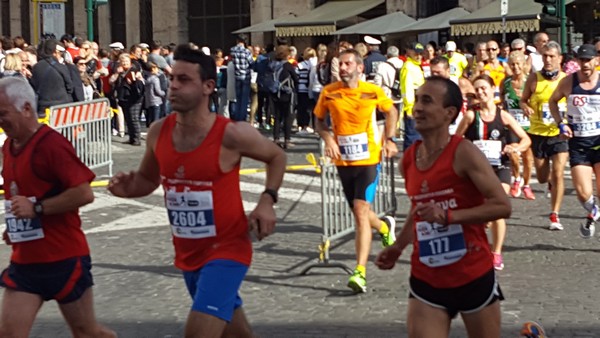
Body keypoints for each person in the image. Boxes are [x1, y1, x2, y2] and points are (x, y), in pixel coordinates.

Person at [107, 44, 286, 337]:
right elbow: (148, 180)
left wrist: (267, 200)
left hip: (227, 251)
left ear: (208, 86)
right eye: (172, 78)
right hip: (189, 255)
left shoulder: (231, 133)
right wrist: (128, 188)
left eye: (184, 80)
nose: (173, 86)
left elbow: (276, 156)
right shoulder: (157, 132)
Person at [376, 76, 511, 338]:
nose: (417, 108)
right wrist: (398, 246)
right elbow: (419, 209)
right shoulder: (410, 158)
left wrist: (449, 216)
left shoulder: (464, 153)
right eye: (416, 100)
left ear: (449, 113)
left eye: (427, 101)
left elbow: (502, 206)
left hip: (472, 274)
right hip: (427, 277)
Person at [0, 77, 116, 337]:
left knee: (87, 332)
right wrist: (16, 227)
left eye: (3, 113)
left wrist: (38, 209)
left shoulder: (51, 145)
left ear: (26, 108)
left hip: (63, 258)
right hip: (26, 261)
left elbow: (84, 193)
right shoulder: (9, 147)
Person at [314, 49, 399, 293]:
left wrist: (390, 139)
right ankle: (384, 227)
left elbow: (391, 111)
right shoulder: (329, 92)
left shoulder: (372, 91)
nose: (342, 67)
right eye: (340, 64)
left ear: (359, 68)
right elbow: (319, 120)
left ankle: (359, 272)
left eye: (347, 63)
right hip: (344, 162)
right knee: (358, 212)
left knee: (361, 211)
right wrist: (328, 138)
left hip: (369, 158)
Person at [456, 74, 531, 271]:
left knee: (498, 206)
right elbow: (454, 141)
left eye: (484, 88)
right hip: (477, 171)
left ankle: (496, 253)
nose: (481, 92)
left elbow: (525, 139)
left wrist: (516, 149)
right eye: (477, 89)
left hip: (500, 167)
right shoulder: (471, 116)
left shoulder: (503, 116)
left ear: (492, 90)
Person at [549, 44, 600, 238]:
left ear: (596, 60)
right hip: (579, 143)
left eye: (589, 60)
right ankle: (594, 210)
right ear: (576, 62)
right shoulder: (568, 82)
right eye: (582, 60)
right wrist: (561, 124)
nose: (585, 64)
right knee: (582, 193)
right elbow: (553, 101)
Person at [519, 41, 569, 231]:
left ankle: (554, 214)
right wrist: (525, 106)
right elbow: (523, 100)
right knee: (542, 177)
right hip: (538, 133)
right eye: (545, 56)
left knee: (558, 173)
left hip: (559, 133)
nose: (548, 60)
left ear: (560, 59)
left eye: (552, 56)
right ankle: (548, 183)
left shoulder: (566, 80)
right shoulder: (534, 78)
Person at [501, 51, 536, 200]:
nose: (515, 67)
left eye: (518, 64)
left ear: (524, 65)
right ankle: (516, 179)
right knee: (513, 154)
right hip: (512, 124)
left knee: (528, 158)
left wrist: (530, 108)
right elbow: (502, 98)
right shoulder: (506, 82)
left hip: (528, 124)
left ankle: (526, 184)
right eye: (512, 64)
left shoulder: (530, 81)